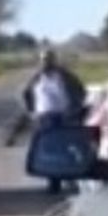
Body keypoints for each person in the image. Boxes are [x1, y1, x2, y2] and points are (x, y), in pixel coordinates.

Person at [21, 47, 88, 194]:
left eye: (49, 59)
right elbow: (26, 94)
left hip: (63, 116)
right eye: (43, 60)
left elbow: (81, 91)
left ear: (54, 60)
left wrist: (75, 109)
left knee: (67, 148)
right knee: (50, 150)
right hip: (44, 117)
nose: (46, 62)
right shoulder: (36, 77)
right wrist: (31, 112)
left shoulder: (65, 76)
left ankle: (72, 179)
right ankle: (53, 181)